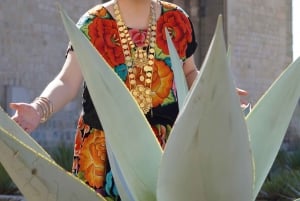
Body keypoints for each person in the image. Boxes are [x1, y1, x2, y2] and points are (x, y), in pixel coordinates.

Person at [10, 0, 248, 200]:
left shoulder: (177, 19)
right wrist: (37, 109)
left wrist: (219, 93)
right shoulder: (93, 24)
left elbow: (188, 73)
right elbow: (67, 81)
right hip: (102, 152)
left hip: (165, 150)